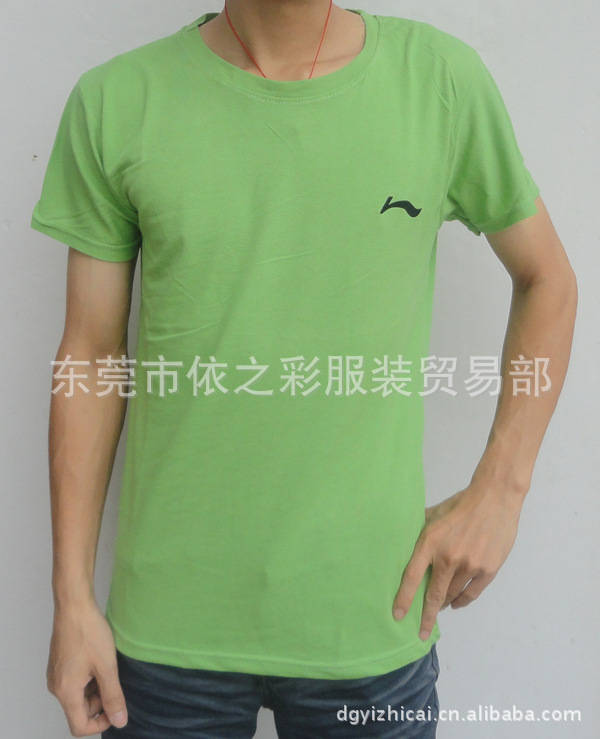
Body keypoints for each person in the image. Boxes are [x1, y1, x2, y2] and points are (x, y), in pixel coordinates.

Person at [31, 1, 577, 737]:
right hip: (169, 635)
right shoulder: (118, 100)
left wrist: (502, 491)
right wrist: (70, 598)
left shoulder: (439, 81)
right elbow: (92, 357)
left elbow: (548, 279)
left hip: (369, 616)